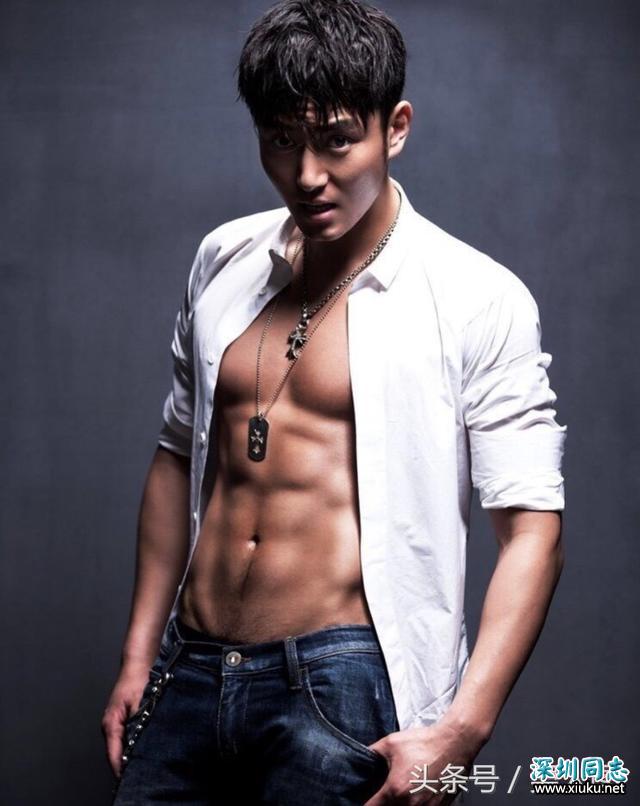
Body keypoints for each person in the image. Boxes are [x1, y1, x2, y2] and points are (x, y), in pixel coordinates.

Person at [102, 1, 568, 803]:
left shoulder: (477, 298)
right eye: (282, 140)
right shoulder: (222, 260)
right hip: (191, 668)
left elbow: (532, 530)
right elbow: (177, 455)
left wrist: (462, 730)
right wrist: (140, 653)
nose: (308, 174)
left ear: (396, 129)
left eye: (337, 140)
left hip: (340, 684)